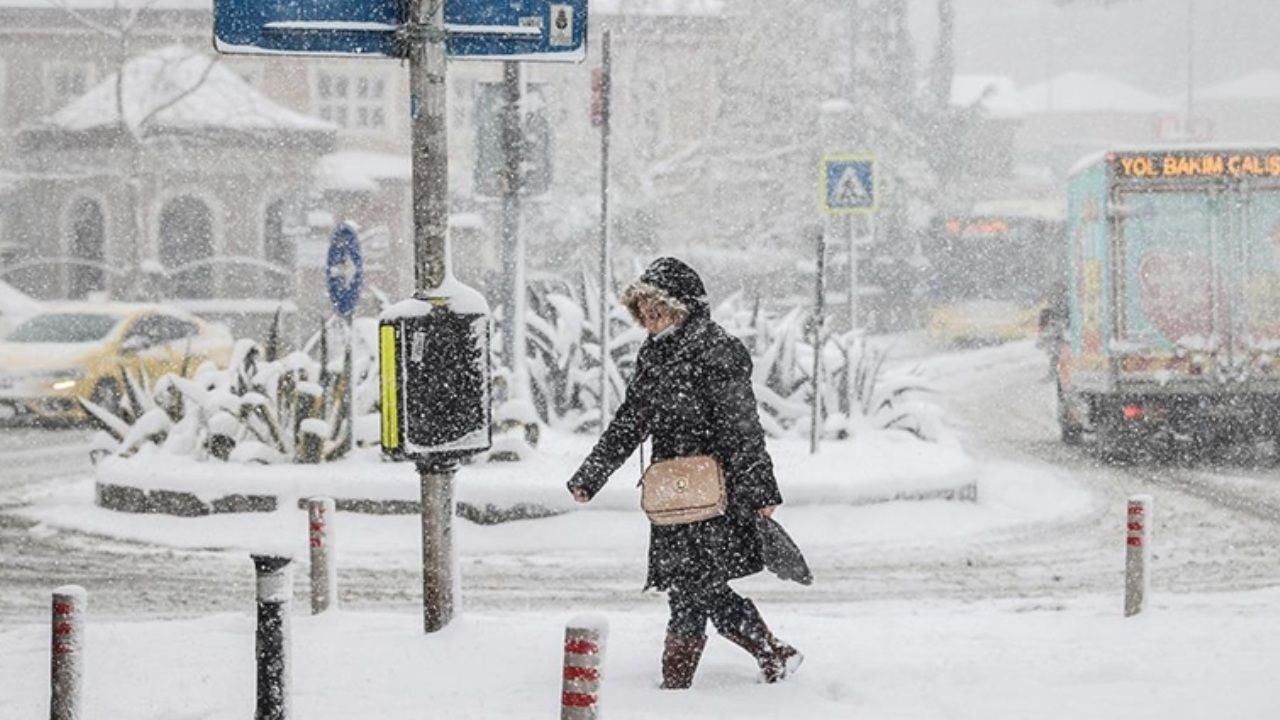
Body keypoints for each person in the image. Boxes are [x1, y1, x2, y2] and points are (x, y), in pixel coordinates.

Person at [566, 257, 802, 689]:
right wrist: (590, 475)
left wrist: (760, 489)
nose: (650, 318)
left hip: (716, 492)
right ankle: (769, 654)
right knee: (692, 585)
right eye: (644, 310)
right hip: (673, 493)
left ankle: (680, 684)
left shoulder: (717, 350)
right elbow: (631, 420)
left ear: (683, 307)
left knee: (695, 586)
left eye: (658, 308)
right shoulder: (654, 355)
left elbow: (742, 427)